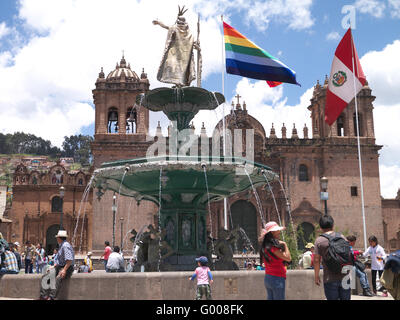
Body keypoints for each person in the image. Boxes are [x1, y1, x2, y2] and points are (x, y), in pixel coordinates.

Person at [314, 215, 351, 300]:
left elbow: (316, 260)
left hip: (329, 278)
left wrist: (316, 276)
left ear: (320, 227)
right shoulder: (342, 237)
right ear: (333, 225)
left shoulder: (319, 240)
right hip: (345, 276)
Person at [259, 221, 291, 300]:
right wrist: (285, 244)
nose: (279, 232)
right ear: (272, 232)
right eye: (277, 230)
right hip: (277, 278)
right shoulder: (273, 248)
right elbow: (288, 258)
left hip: (268, 277)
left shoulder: (265, 247)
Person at [39, 230, 75, 300]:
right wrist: (53, 266)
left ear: (59, 238)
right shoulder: (61, 245)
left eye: (57, 237)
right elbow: (60, 260)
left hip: (67, 267)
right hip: (60, 266)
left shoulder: (65, 246)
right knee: (45, 276)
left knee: (58, 278)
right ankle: (43, 296)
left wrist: (64, 270)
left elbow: (69, 260)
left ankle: (52, 297)